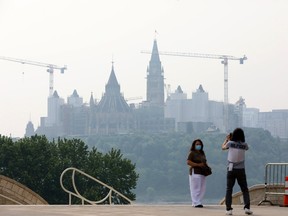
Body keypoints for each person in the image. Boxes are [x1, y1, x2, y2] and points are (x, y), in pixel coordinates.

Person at [222, 128, 253, 215]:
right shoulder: (244, 145)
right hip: (241, 170)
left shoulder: (230, 143)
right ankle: (247, 207)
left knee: (229, 189)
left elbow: (223, 147)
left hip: (231, 169)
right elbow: (247, 148)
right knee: (244, 189)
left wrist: (227, 139)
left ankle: (229, 209)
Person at [187, 139, 208, 208]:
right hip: (195, 172)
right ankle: (196, 202)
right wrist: (198, 165)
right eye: (197, 144)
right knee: (196, 188)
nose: (198, 145)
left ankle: (198, 201)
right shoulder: (192, 153)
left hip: (202, 172)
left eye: (200, 144)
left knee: (202, 188)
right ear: (194, 145)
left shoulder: (202, 153)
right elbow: (188, 162)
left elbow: (205, 162)